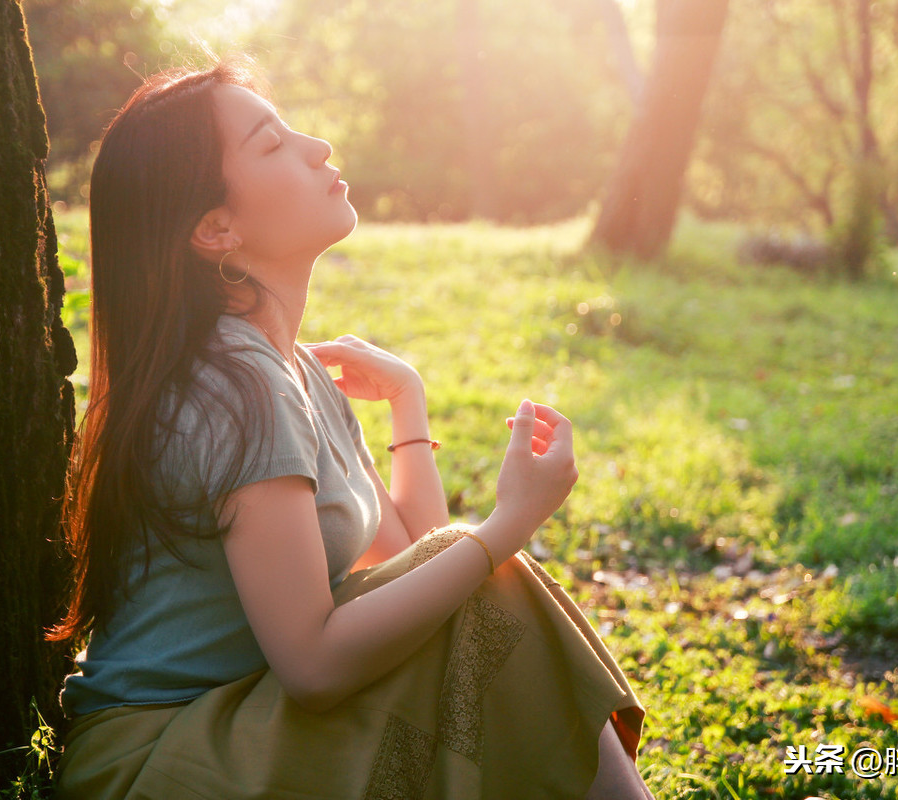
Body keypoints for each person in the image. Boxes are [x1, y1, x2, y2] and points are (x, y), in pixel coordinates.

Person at [46, 50, 650, 800]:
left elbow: (417, 574)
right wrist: (508, 523)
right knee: (495, 578)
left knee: (484, 585)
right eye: (271, 144)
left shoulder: (288, 370)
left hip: (242, 725)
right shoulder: (238, 387)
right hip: (163, 759)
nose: (317, 147)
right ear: (215, 228)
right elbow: (315, 667)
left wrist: (408, 406)